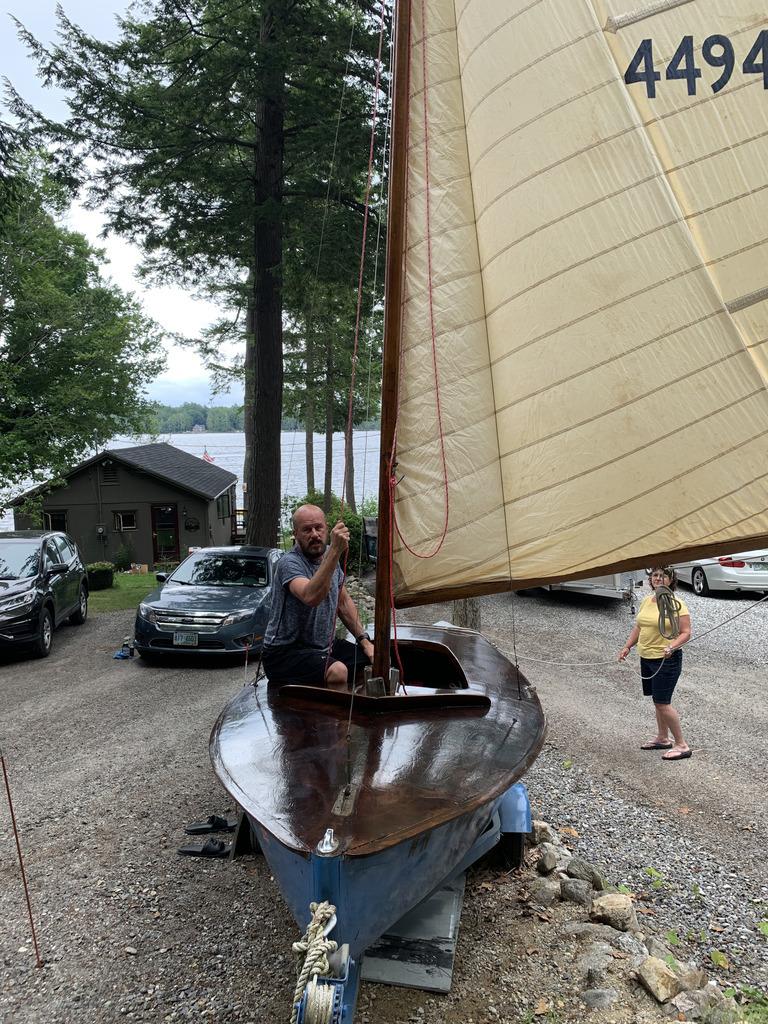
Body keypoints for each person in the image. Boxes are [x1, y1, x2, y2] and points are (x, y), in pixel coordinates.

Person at [261, 504, 374, 690]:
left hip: (323, 646)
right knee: (337, 671)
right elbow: (311, 596)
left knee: (372, 660)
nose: (314, 534)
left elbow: (343, 602)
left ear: (326, 529)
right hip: (284, 653)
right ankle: (332, 718)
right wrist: (335, 552)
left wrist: (364, 640)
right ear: (295, 534)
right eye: (306, 530)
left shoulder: (329, 557)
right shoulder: (289, 563)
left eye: (318, 528)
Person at [618, 567, 692, 761]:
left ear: (671, 580)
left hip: (667, 659)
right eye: (655, 575)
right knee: (657, 701)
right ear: (651, 578)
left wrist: (671, 646)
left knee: (663, 702)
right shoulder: (646, 601)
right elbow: (639, 626)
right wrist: (628, 646)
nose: (658, 578)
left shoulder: (677, 604)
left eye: (663, 575)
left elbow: (686, 632)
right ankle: (662, 738)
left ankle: (682, 745)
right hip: (647, 657)